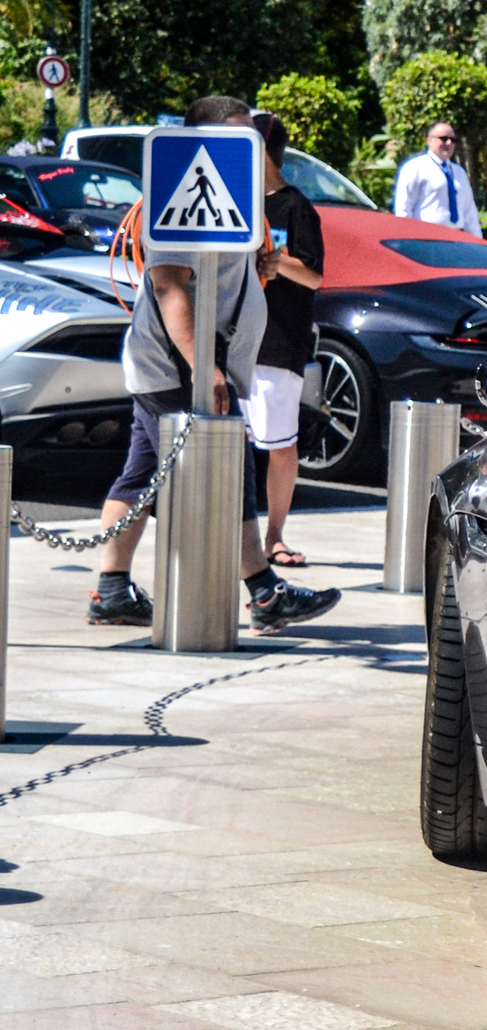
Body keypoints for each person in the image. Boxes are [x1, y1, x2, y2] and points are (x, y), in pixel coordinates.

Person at [88, 95, 338, 634]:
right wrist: (206, 368)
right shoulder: (182, 196)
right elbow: (170, 287)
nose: (252, 149)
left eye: (253, 138)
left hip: (175, 367)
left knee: (140, 478)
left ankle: (111, 592)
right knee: (229, 472)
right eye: (238, 138)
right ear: (201, 143)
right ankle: (266, 594)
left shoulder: (234, 202)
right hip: (181, 370)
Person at [247, 110, 324, 569]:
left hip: (280, 338)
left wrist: (278, 261)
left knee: (279, 443)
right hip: (235, 339)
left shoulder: (295, 206)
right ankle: (230, 531)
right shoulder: (232, 202)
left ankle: (274, 535)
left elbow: (314, 274)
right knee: (229, 443)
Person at [392, 121, 482, 236]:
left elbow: (470, 212)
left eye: (452, 140)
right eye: (444, 139)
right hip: (427, 238)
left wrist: (477, 241)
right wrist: (406, 238)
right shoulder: (415, 168)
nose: (449, 143)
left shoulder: (459, 172)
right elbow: (404, 208)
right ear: (430, 140)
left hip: (457, 238)